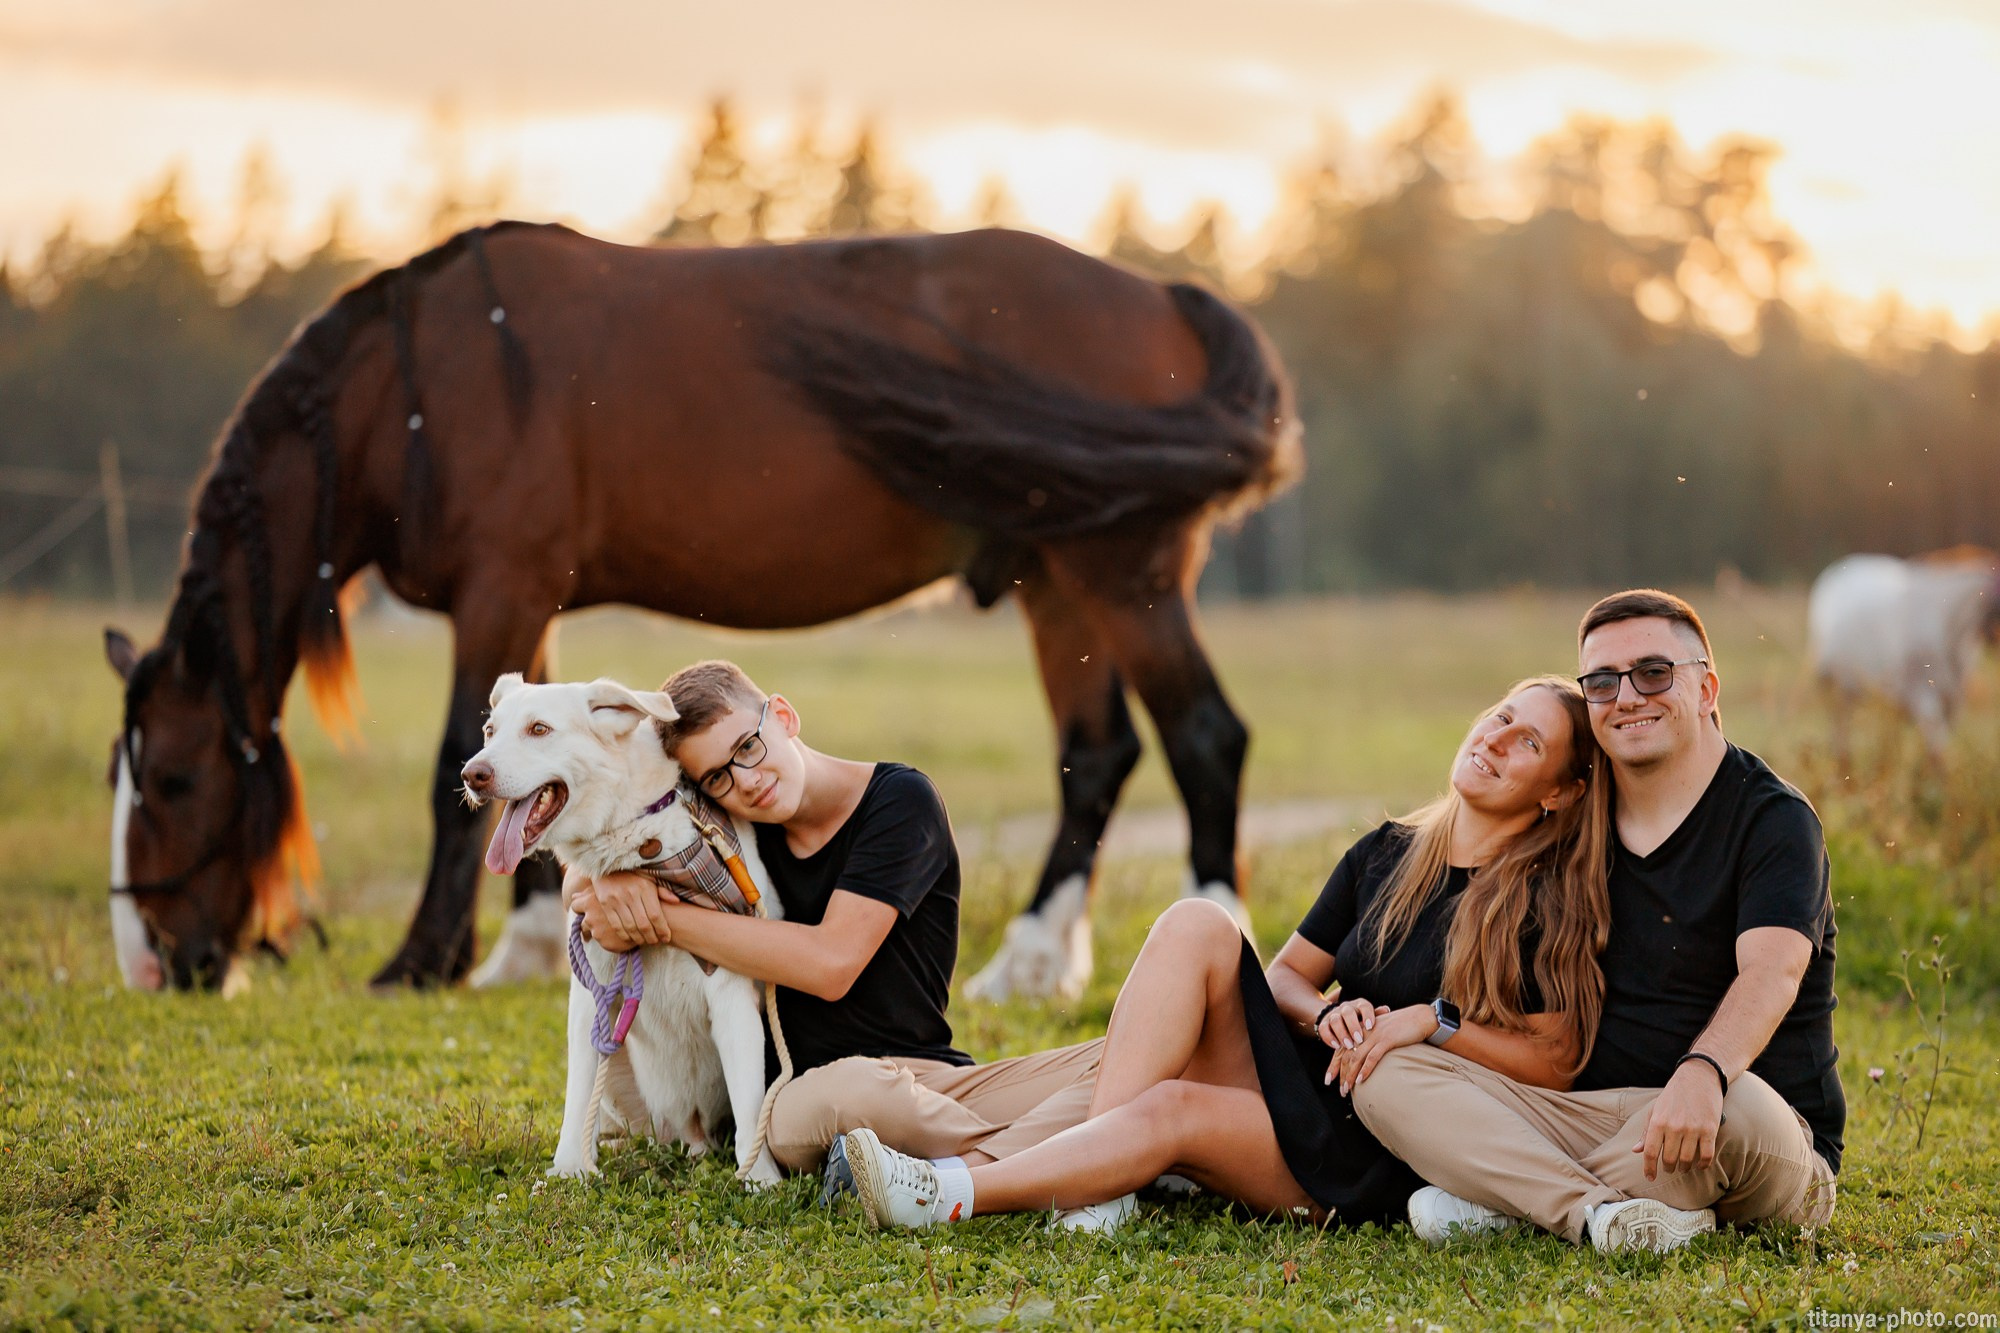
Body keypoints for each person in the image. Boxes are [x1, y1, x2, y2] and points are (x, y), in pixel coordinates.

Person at [836, 676, 1611, 1234]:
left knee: (1169, 1108)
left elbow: (1559, 1059)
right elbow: (1285, 980)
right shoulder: (1388, 851)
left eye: (1529, 741)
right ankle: (1096, 1183)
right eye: (1501, 715)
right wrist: (1331, 1012)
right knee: (1200, 921)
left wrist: (1427, 1022)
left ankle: (950, 1192)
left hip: (1380, 1147)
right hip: (1305, 1086)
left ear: (1560, 792)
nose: (1496, 738)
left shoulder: (1543, 900)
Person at [1349, 590, 1844, 1254]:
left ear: (1706, 687)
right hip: (1591, 1118)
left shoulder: (1773, 819)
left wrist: (1704, 1070)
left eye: (1654, 672)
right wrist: (1433, 1019)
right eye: (1602, 682)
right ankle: (1598, 1214)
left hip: (1740, 1115)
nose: (1628, 696)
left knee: (1744, 1109)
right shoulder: (1577, 819)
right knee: (1386, 1072)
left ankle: (1514, 1199)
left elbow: (1774, 970)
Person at [567, 660, 1101, 1180]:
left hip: (927, 1079)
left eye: (748, 748)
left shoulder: (899, 802)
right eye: (718, 780)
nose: (747, 782)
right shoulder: (731, 831)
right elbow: (588, 859)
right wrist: (609, 882)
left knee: (1118, 1062)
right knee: (844, 1099)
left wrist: (662, 918)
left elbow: (831, 964)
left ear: (783, 717)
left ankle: (1047, 1148)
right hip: (804, 1097)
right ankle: (1078, 1151)